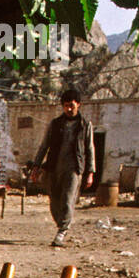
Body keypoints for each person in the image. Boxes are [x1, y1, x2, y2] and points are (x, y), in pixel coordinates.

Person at [30, 87, 95, 247]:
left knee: (67, 200)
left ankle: (62, 232)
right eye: (66, 105)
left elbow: (90, 149)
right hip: (54, 167)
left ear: (78, 104)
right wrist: (36, 166)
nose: (69, 108)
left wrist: (90, 172)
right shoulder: (55, 124)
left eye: (72, 105)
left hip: (74, 168)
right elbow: (44, 146)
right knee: (54, 201)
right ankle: (62, 225)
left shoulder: (85, 125)